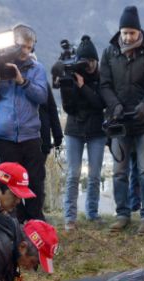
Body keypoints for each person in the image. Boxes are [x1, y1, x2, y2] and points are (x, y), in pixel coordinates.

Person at [100, 5, 144, 234]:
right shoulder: (109, 52)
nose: (128, 36)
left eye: (132, 33)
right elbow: (104, 84)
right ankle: (122, 213)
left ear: (139, 32)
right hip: (119, 122)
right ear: (120, 32)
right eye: (125, 32)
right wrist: (114, 105)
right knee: (119, 170)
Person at [0, 24, 49, 222]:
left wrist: (22, 81)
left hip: (31, 137)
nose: (26, 51)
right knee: (8, 186)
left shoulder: (37, 68)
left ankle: (36, 224)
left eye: (30, 47)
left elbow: (42, 96)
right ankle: (13, 225)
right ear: (12, 45)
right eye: (22, 46)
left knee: (35, 184)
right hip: (4, 139)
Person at [51, 35, 106, 231]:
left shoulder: (102, 77)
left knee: (94, 175)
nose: (89, 65)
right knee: (73, 174)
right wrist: (67, 84)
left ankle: (92, 213)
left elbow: (100, 104)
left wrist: (83, 87)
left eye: (92, 61)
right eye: (85, 61)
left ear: (96, 60)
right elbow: (69, 108)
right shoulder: (72, 76)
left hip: (97, 131)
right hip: (74, 130)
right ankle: (69, 218)